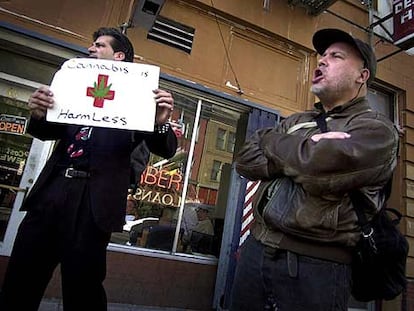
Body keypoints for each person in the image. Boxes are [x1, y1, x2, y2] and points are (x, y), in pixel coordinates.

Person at [0, 27, 177, 310]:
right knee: (21, 278)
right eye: (92, 45)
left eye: (99, 45)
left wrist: (160, 122)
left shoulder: (139, 97)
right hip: (51, 193)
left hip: (92, 205)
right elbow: (46, 131)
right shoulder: (74, 86)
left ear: (119, 56)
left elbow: (165, 148)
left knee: (83, 288)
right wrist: (37, 113)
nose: (91, 49)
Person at [229, 28, 399, 311]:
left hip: (317, 267)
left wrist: (274, 144)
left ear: (362, 75)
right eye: (322, 55)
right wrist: (305, 147)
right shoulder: (299, 120)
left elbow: (320, 169)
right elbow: (246, 160)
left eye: (336, 56)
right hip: (256, 251)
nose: (321, 60)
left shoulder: (377, 131)